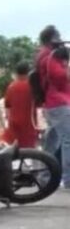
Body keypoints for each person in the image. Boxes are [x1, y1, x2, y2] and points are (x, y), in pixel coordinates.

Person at [40, 43, 70, 187]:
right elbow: (61, 77)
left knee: (52, 142)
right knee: (68, 140)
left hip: (54, 106)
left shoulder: (51, 62)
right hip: (59, 106)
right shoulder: (56, 66)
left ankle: (44, 175)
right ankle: (68, 178)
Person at [3, 62, 38, 148]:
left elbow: (7, 107)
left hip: (14, 125)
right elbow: (38, 106)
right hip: (29, 126)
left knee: (15, 154)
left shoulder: (10, 87)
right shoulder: (33, 87)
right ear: (28, 72)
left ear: (17, 73)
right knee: (29, 154)